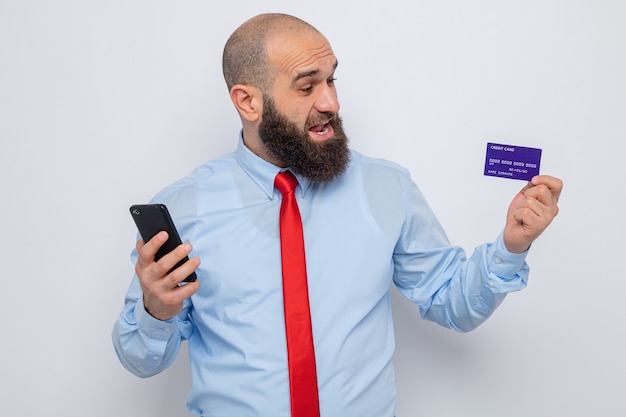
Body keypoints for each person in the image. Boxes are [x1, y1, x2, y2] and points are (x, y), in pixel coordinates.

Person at [112, 13, 562, 417]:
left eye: (331, 81)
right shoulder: (185, 208)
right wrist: (156, 309)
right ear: (248, 102)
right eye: (307, 87)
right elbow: (140, 359)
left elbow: (453, 303)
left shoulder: (386, 188)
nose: (331, 102)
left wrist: (511, 246)